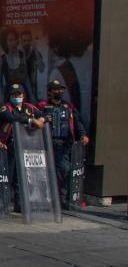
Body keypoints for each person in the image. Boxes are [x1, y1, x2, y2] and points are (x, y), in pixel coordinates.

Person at [37, 79, 89, 210]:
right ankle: (49, 199)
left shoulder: (68, 106)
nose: (59, 92)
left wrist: (83, 134)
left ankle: (61, 199)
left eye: (61, 89)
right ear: (49, 92)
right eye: (56, 90)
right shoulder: (42, 106)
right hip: (47, 143)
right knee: (48, 171)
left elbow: (77, 122)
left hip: (64, 143)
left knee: (64, 171)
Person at [0, 83, 45, 212]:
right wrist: (30, 121)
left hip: (27, 146)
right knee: (8, 175)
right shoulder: (5, 108)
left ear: (23, 95)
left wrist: (40, 120)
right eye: (14, 94)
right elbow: (11, 117)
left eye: (18, 94)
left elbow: (43, 115)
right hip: (10, 145)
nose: (16, 97)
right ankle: (4, 205)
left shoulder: (29, 107)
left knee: (22, 177)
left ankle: (20, 205)